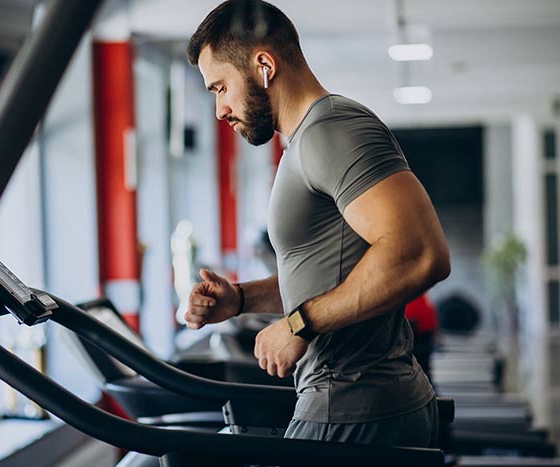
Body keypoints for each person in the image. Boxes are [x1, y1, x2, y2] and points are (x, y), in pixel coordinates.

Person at [183, 0, 450, 448]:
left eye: (220, 88)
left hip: (354, 407)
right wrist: (243, 299)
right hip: (354, 405)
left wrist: (297, 324)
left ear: (264, 65)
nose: (220, 110)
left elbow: (420, 253)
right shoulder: (308, 140)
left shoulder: (333, 132)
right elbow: (333, 268)